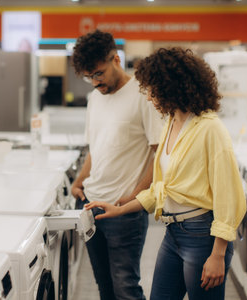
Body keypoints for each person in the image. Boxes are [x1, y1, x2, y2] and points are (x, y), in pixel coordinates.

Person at [85, 47, 247, 300]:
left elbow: (230, 196)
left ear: (170, 87)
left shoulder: (210, 129)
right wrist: (120, 208)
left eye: (151, 89)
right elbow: (161, 190)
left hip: (202, 236)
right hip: (173, 234)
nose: (148, 98)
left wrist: (217, 254)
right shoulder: (171, 123)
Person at [71, 29, 163, 300]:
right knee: (105, 288)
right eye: (88, 77)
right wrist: (79, 180)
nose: (95, 82)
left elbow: (159, 154)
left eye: (99, 73)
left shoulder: (143, 95)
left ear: (116, 60)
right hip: (90, 206)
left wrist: (134, 198)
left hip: (123, 211)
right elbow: (95, 148)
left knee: (126, 289)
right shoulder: (94, 98)